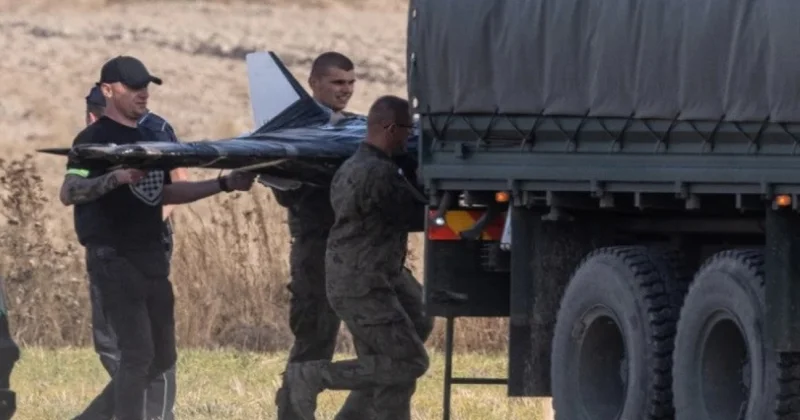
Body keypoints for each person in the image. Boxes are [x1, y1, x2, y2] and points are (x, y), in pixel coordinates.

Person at [60, 55, 257, 420]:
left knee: (163, 355)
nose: (143, 94)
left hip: (150, 254)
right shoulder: (92, 140)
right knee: (136, 354)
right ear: (108, 90)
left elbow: (165, 193)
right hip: (112, 257)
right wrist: (114, 179)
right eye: (133, 87)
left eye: (146, 87)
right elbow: (70, 191)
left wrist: (224, 184)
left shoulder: (153, 137)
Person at [282, 95, 432, 420]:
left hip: (371, 276)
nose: (409, 137)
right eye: (407, 130)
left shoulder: (354, 165)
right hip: (363, 284)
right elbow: (415, 215)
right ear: (390, 128)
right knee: (409, 361)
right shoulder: (377, 174)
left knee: (407, 334)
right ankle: (313, 376)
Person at [271, 51, 371, 420]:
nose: (345, 90)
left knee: (386, 346)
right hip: (316, 251)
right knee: (315, 337)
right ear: (313, 84)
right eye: (337, 83)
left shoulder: (354, 129)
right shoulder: (295, 133)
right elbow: (284, 189)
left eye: (350, 83)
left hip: (360, 252)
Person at [82, 85, 187, 420]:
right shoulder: (92, 139)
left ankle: (155, 414)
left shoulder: (155, 130)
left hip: (144, 248)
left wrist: (139, 224)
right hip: (105, 249)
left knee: (151, 347)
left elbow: (177, 184)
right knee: (111, 344)